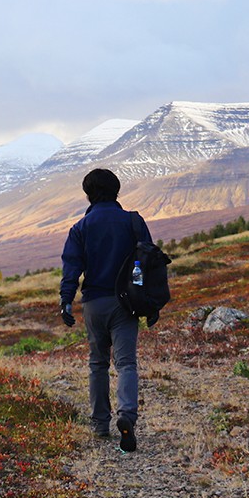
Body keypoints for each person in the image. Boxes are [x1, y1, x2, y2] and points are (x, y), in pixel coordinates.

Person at [59, 168, 153, 451]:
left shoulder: (80, 228)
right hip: (126, 303)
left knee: (98, 363)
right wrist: (149, 301)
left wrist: (66, 300)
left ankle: (101, 424)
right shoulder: (133, 222)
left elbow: (72, 267)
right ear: (117, 190)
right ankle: (126, 415)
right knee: (126, 363)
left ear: (88, 194)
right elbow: (146, 262)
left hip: (94, 304)